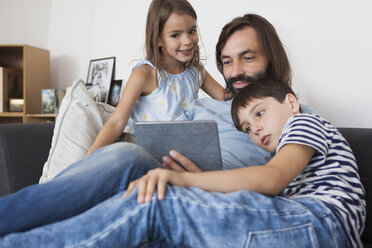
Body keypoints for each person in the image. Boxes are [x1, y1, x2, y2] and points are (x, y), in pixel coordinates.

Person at [0, 13, 338, 247]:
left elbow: (275, 184)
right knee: (126, 154)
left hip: (209, 194)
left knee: (143, 187)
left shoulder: (293, 117)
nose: (235, 72)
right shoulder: (205, 103)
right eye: (226, 61)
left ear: (271, 57)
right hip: (165, 172)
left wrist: (192, 180)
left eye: (247, 58)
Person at [0, 80, 365, 247]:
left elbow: (271, 179)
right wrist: (200, 183)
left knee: (155, 203)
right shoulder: (283, 146)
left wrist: (187, 184)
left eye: (260, 114)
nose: (257, 130)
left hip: (318, 224)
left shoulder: (305, 123)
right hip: (299, 220)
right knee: (148, 191)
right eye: (249, 128)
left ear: (291, 101)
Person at [86, 0, 225, 155]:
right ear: (158, 39)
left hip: (179, 153)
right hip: (143, 151)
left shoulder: (195, 71)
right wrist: (87, 160)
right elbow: (116, 122)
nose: (187, 41)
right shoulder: (144, 74)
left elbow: (227, 100)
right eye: (175, 35)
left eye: (192, 31)